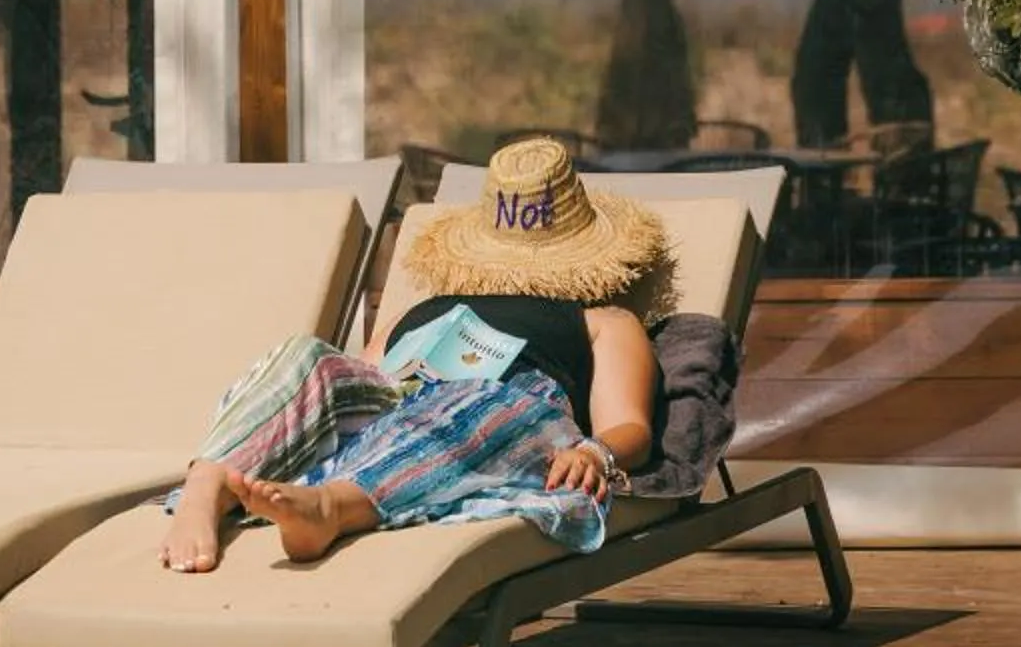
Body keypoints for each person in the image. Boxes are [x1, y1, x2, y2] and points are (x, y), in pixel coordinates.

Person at [163, 135, 666, 571]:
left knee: (478, 400)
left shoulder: (600, 320)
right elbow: (354, 379)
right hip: (397, 405)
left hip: (503, 409)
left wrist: (594, 453)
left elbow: (631, 429)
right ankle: (206, 487)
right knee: (306, 353)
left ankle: (331, 508)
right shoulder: (429, 308)